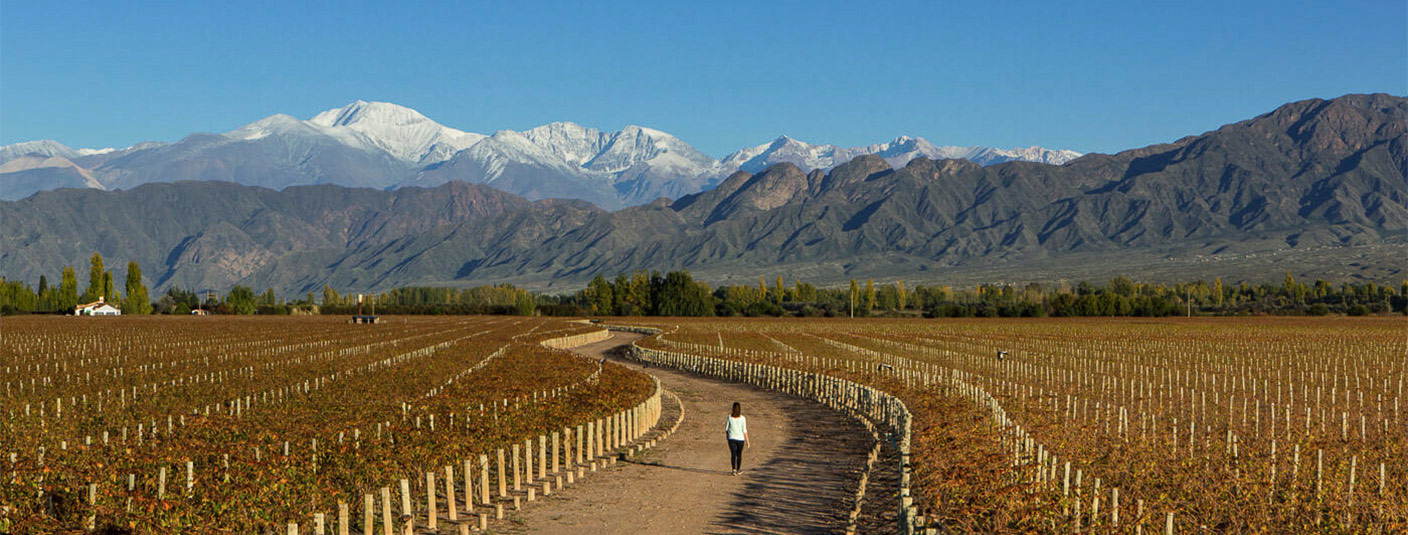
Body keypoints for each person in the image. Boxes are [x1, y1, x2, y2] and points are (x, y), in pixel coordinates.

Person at [725, 401, 749, 475]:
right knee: (739, 454)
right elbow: (744, 430)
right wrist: (748, 441)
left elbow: (726, 428)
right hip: (740, 439)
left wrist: (727, 436)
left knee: (733, 454)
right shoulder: (743, 418)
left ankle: (733, 469)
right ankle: (738, 469)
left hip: (732, 438)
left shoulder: (729, 417)